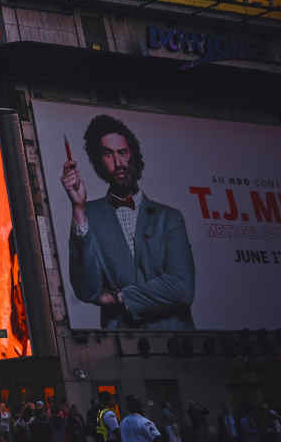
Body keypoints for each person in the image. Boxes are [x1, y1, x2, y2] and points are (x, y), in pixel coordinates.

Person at [62, 114, 195, 330]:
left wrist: (120, 298)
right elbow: (87, 290)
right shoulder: (89, 215)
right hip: (122, 347)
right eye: (108, 155)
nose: (118, 163)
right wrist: (78, 208)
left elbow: (182, 289)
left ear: (133, 154)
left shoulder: (169, 218)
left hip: (178, 346)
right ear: (98, 161)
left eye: (122, 152)